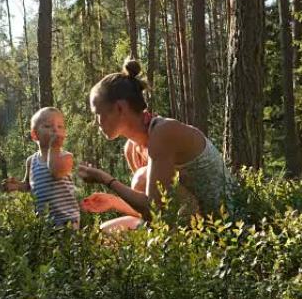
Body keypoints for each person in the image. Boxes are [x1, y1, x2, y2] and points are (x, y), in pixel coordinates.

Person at [77, 59, 236, 232]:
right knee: (103, 232)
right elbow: (151, 210)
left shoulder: (163, 132)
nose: (96, 123)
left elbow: (155, 211)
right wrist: (113, 202)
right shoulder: (131, 149)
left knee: (140, 178)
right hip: (187, 220)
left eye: (98, 114)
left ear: (120, 108)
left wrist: (105, 179)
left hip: (224, 223)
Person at [4, 107, 81, 229]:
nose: (55, 129)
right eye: (48, 126)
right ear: (35, 135)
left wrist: (54, 148)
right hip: (44, 221)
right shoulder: (31, 161)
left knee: (67, 247)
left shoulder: (66, 157)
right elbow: (29, 186)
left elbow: (56, 172)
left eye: (60, 126)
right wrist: (18, 186)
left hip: (67, 220)